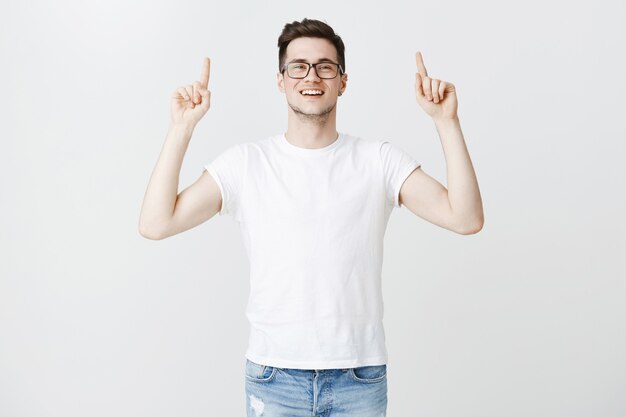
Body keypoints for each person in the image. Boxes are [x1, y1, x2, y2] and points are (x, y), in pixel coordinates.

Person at [139, 17, 483, 417]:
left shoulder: (378, 161)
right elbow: (155, 223)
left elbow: (465, 218)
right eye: (298, 66)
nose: (311, 76)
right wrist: (181, 129)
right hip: (274, 379)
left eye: (325, 66)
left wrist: (446, 122)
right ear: (281, 79)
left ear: (342, 80)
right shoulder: (246, 164)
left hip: (359, 378)